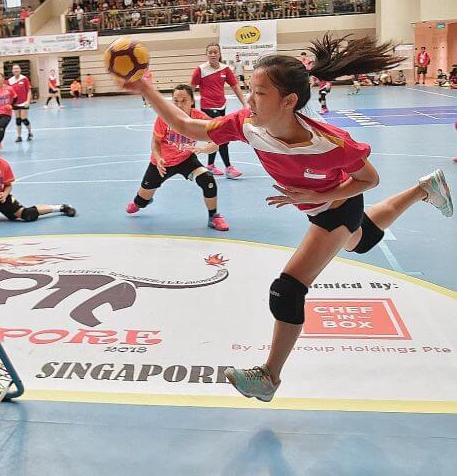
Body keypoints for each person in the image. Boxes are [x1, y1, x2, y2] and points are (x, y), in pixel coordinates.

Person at [127, 34, 453, 403]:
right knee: (362, 241)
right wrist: (144, 86)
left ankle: (269, 376)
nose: (250, 99)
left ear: (289, 101)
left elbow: (369, 179)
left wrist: (320, 195)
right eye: (250, 90)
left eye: (260, 93)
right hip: (323, 206)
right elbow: (189, 127)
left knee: (288, 289)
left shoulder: (330, 142)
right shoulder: (248, 126)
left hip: (335, 208)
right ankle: (425, 189)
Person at [126, 84, 230, 231]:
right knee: (140, 202)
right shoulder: (165, 118)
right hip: (162, 163)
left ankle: (213, 216)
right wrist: (158, 157)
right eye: (176, 101)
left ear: (192, 101)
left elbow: (216, 143)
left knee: (208, 180)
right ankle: (142, 202)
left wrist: (203, 149)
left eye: (184, 100)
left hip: (186, 159)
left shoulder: (200, 118)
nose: (179, 104)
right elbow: (155, 142)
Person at [191, 43, 247, 178]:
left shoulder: (225, 69)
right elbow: (191, 89)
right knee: (222, 137)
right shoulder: (200, 69)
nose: (213, 54)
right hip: (208, 108)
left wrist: (245, 103)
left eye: (215, 52)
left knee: (214, 137)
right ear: (206, 54)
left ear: (220, 54)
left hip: (222, 107)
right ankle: (228, 168)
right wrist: (190, 109)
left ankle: (210, 165)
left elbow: (235, 87)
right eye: (210, 52)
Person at [8, 64, 33, 142]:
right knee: (18, 120)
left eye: (17, 68)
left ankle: (29, 132)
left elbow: (29, 91)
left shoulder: (24, 79)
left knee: (24, 119)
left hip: (24, 102)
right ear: (12, 70)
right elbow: (9, 93)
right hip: (15, 103)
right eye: (14, 69)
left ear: (20, 70)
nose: (16, 70)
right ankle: (19, 136)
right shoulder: (10, 81)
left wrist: (28, 101)